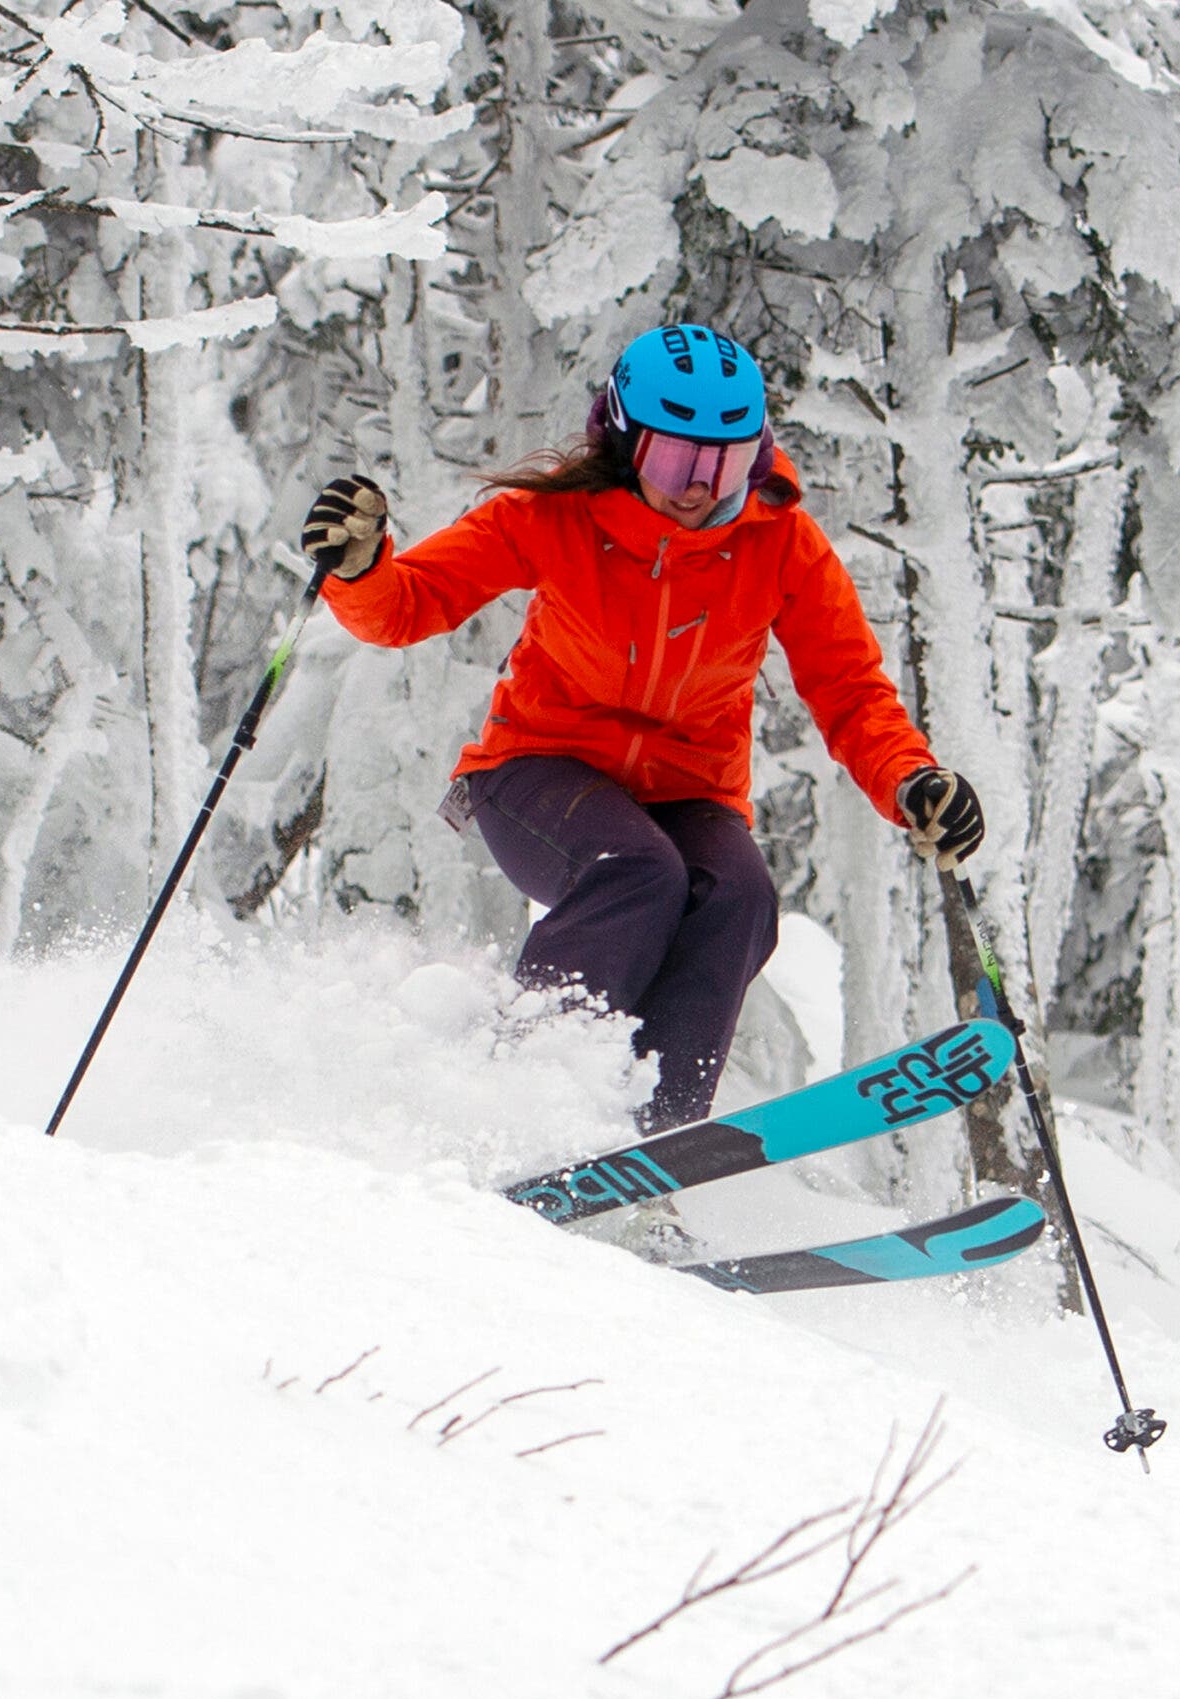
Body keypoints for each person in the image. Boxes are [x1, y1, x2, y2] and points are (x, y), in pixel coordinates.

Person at [301, 323, 984, 1132]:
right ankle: (529, 1101)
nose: (698, 486)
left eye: (723, 463)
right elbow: (413, 603)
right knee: (638, 870)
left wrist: (910, 779)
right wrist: (360, 569)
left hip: (689, 793)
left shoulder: (779, 544)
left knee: (739, 897)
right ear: (625, 441)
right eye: (676, 460)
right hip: (534, 771)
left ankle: (652, 1151)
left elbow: (849, 688)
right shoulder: (556, 516)